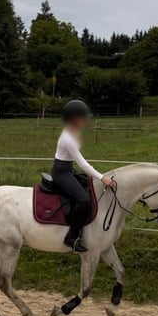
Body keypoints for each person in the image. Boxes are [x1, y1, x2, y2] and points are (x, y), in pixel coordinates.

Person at [52, 100, 114, 252]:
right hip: (61, 172)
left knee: (89, 188)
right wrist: (102, 177)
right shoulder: (68, 138)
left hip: (67, 168)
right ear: (73, 118)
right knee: (84, 200)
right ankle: (71, 237)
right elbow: (83, 165)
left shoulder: (73, 131)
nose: (85, 120)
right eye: (83, 117)